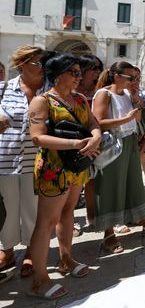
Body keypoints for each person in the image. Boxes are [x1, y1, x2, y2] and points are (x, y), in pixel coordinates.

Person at [28, 53, 102, 300]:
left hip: (76, 165)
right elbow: (37, 136)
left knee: (69, 212)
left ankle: (66, 259)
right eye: (74, 72)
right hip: (54, 168)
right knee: (46, 222)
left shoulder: (80, 99)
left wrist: (96, 137)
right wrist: (74, 143)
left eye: (80, 72)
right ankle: (40, 279)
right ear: (58, 75)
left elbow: (93, 123)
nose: (79, 77)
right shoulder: (42, 101)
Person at [92, 62, 145, 254]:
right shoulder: (104, 94)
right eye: (130, 77)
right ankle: (108, 234)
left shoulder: (127, 94)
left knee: (134, 184)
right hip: (112, 146)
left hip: (130, 142)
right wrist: (126, 119)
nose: (134, 81)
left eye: (135, 78)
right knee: (110, 187)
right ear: (116, 75)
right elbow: (97, 122)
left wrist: (135, 99)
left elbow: (136, 118)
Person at [0, 47, 47, 279]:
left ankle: (30, 251)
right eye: (37, 63)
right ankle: (7, 251)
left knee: (32, 209)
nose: (42, 67)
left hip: (37, 160)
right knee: (7, 209)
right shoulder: (3, 89)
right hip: (5, 159)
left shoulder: (48, 91)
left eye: (43, 63)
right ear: (22, 66)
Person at [76, 54, 103, 234]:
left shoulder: (99, 90)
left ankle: (92, 214)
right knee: (73, 183)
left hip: (95, 138)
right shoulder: (70, 90)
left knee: (92, 179)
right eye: (93, 69)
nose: (96, 72)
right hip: (73, 139)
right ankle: (70, 221)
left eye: (98, 69)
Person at [129, 66, 145, 193]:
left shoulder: (142, 93)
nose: (136, 80)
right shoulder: (121, 94)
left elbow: (144, 109)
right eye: (133, 78)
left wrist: (136, 95)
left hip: (140, 128)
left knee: (143, 155)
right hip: (127, 128)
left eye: (138, 78)